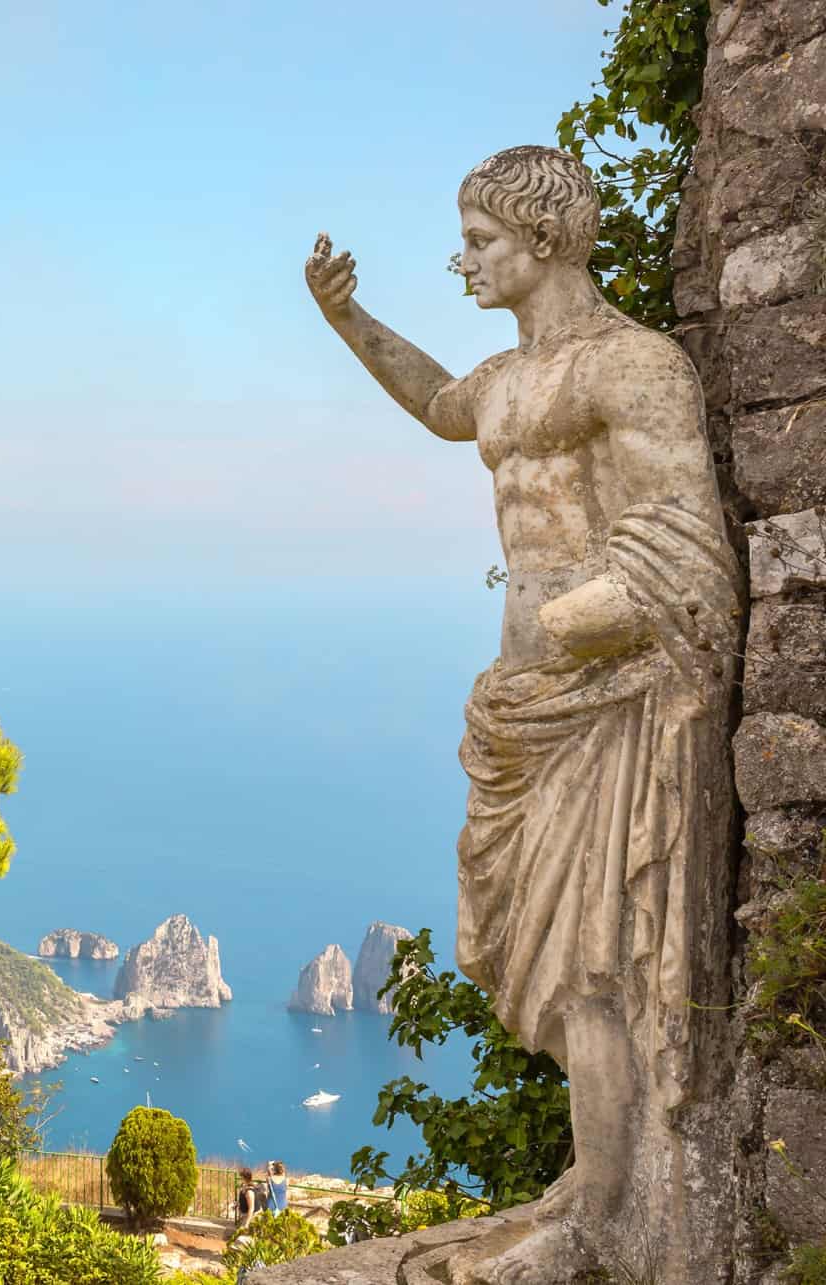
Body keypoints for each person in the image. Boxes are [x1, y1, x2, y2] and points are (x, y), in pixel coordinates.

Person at [305, 144, 739, 1282]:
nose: (466, 261)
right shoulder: (503, 381)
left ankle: (609, 1213)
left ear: (543, 239)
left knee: (599, 956)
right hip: (526, 708)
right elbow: (440, 403)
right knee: (546, 962)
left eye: (484, 241)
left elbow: (686, 540)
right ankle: (598, 1194)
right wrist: (348, 321)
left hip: (612, 699)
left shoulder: (635, 368)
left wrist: (575, 624)